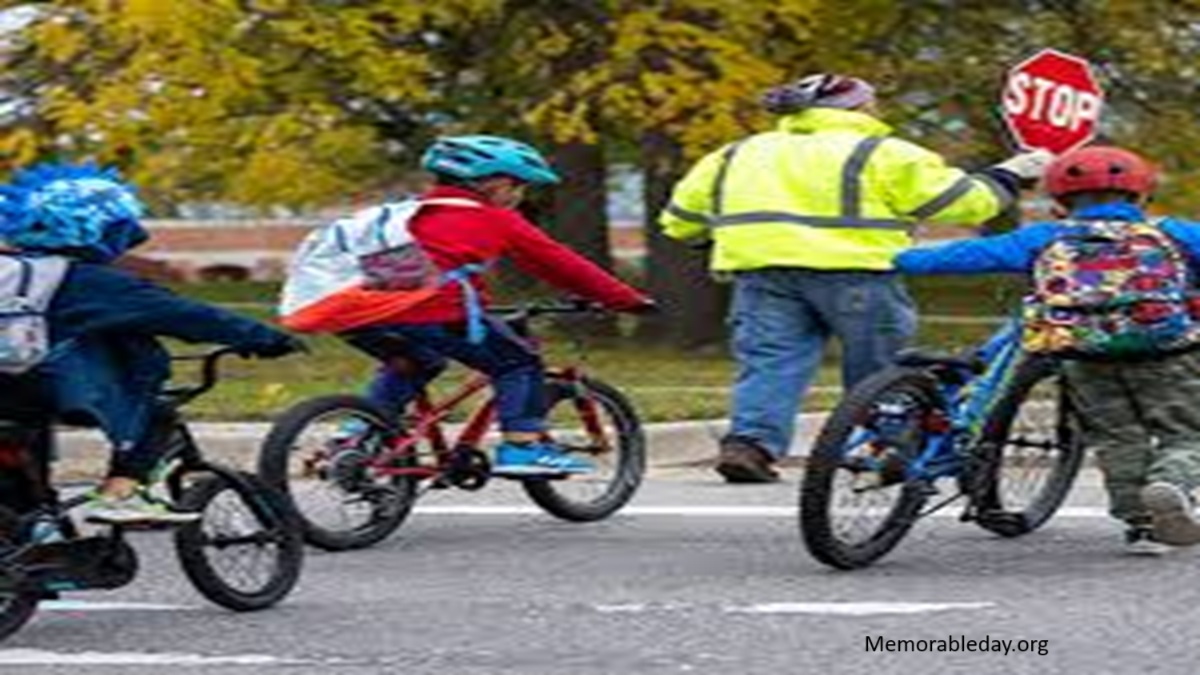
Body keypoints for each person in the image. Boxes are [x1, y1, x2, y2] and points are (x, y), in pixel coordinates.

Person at [658, 73, 1054, 483]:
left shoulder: (736, 153)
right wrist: (1008, 175)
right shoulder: (882, 152)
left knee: (770, 364)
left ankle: (750, 446)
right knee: (879, 368)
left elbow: (681, 221)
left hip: (763, 272)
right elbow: (962, 204)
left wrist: (724, 236)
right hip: (858, 273)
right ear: (859, 107)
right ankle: (888, 445)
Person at [895, 145, 1200, 555]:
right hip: (1166, 352)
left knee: (1116, 437)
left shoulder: (1044, 237)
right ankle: (1171, 483)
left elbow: (969, 254)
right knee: (1186, 432)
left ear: (1059, 201)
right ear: (1142, 195)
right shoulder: (1175, 233)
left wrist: (900, 258)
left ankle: (1141, 526)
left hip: (1080, 354)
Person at [0, 163, 302, 524]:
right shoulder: (90, 281)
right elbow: (185, 315)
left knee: (23, 458)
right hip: (38, 386)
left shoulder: (10, 270)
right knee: (157, 410)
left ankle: (31, 531)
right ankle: (121, 493)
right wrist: (266, 338)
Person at [335, 135, 651, 476]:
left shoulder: (403, 212)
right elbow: (560, 264)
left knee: (417, 361)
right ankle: (521, 448)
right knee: (518, 362)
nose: (518, 196)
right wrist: (625, 299)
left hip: (355, 312)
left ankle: (360, 432)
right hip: (431, 310)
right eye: (518, 186)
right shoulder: (493, 218)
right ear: (496, 183)